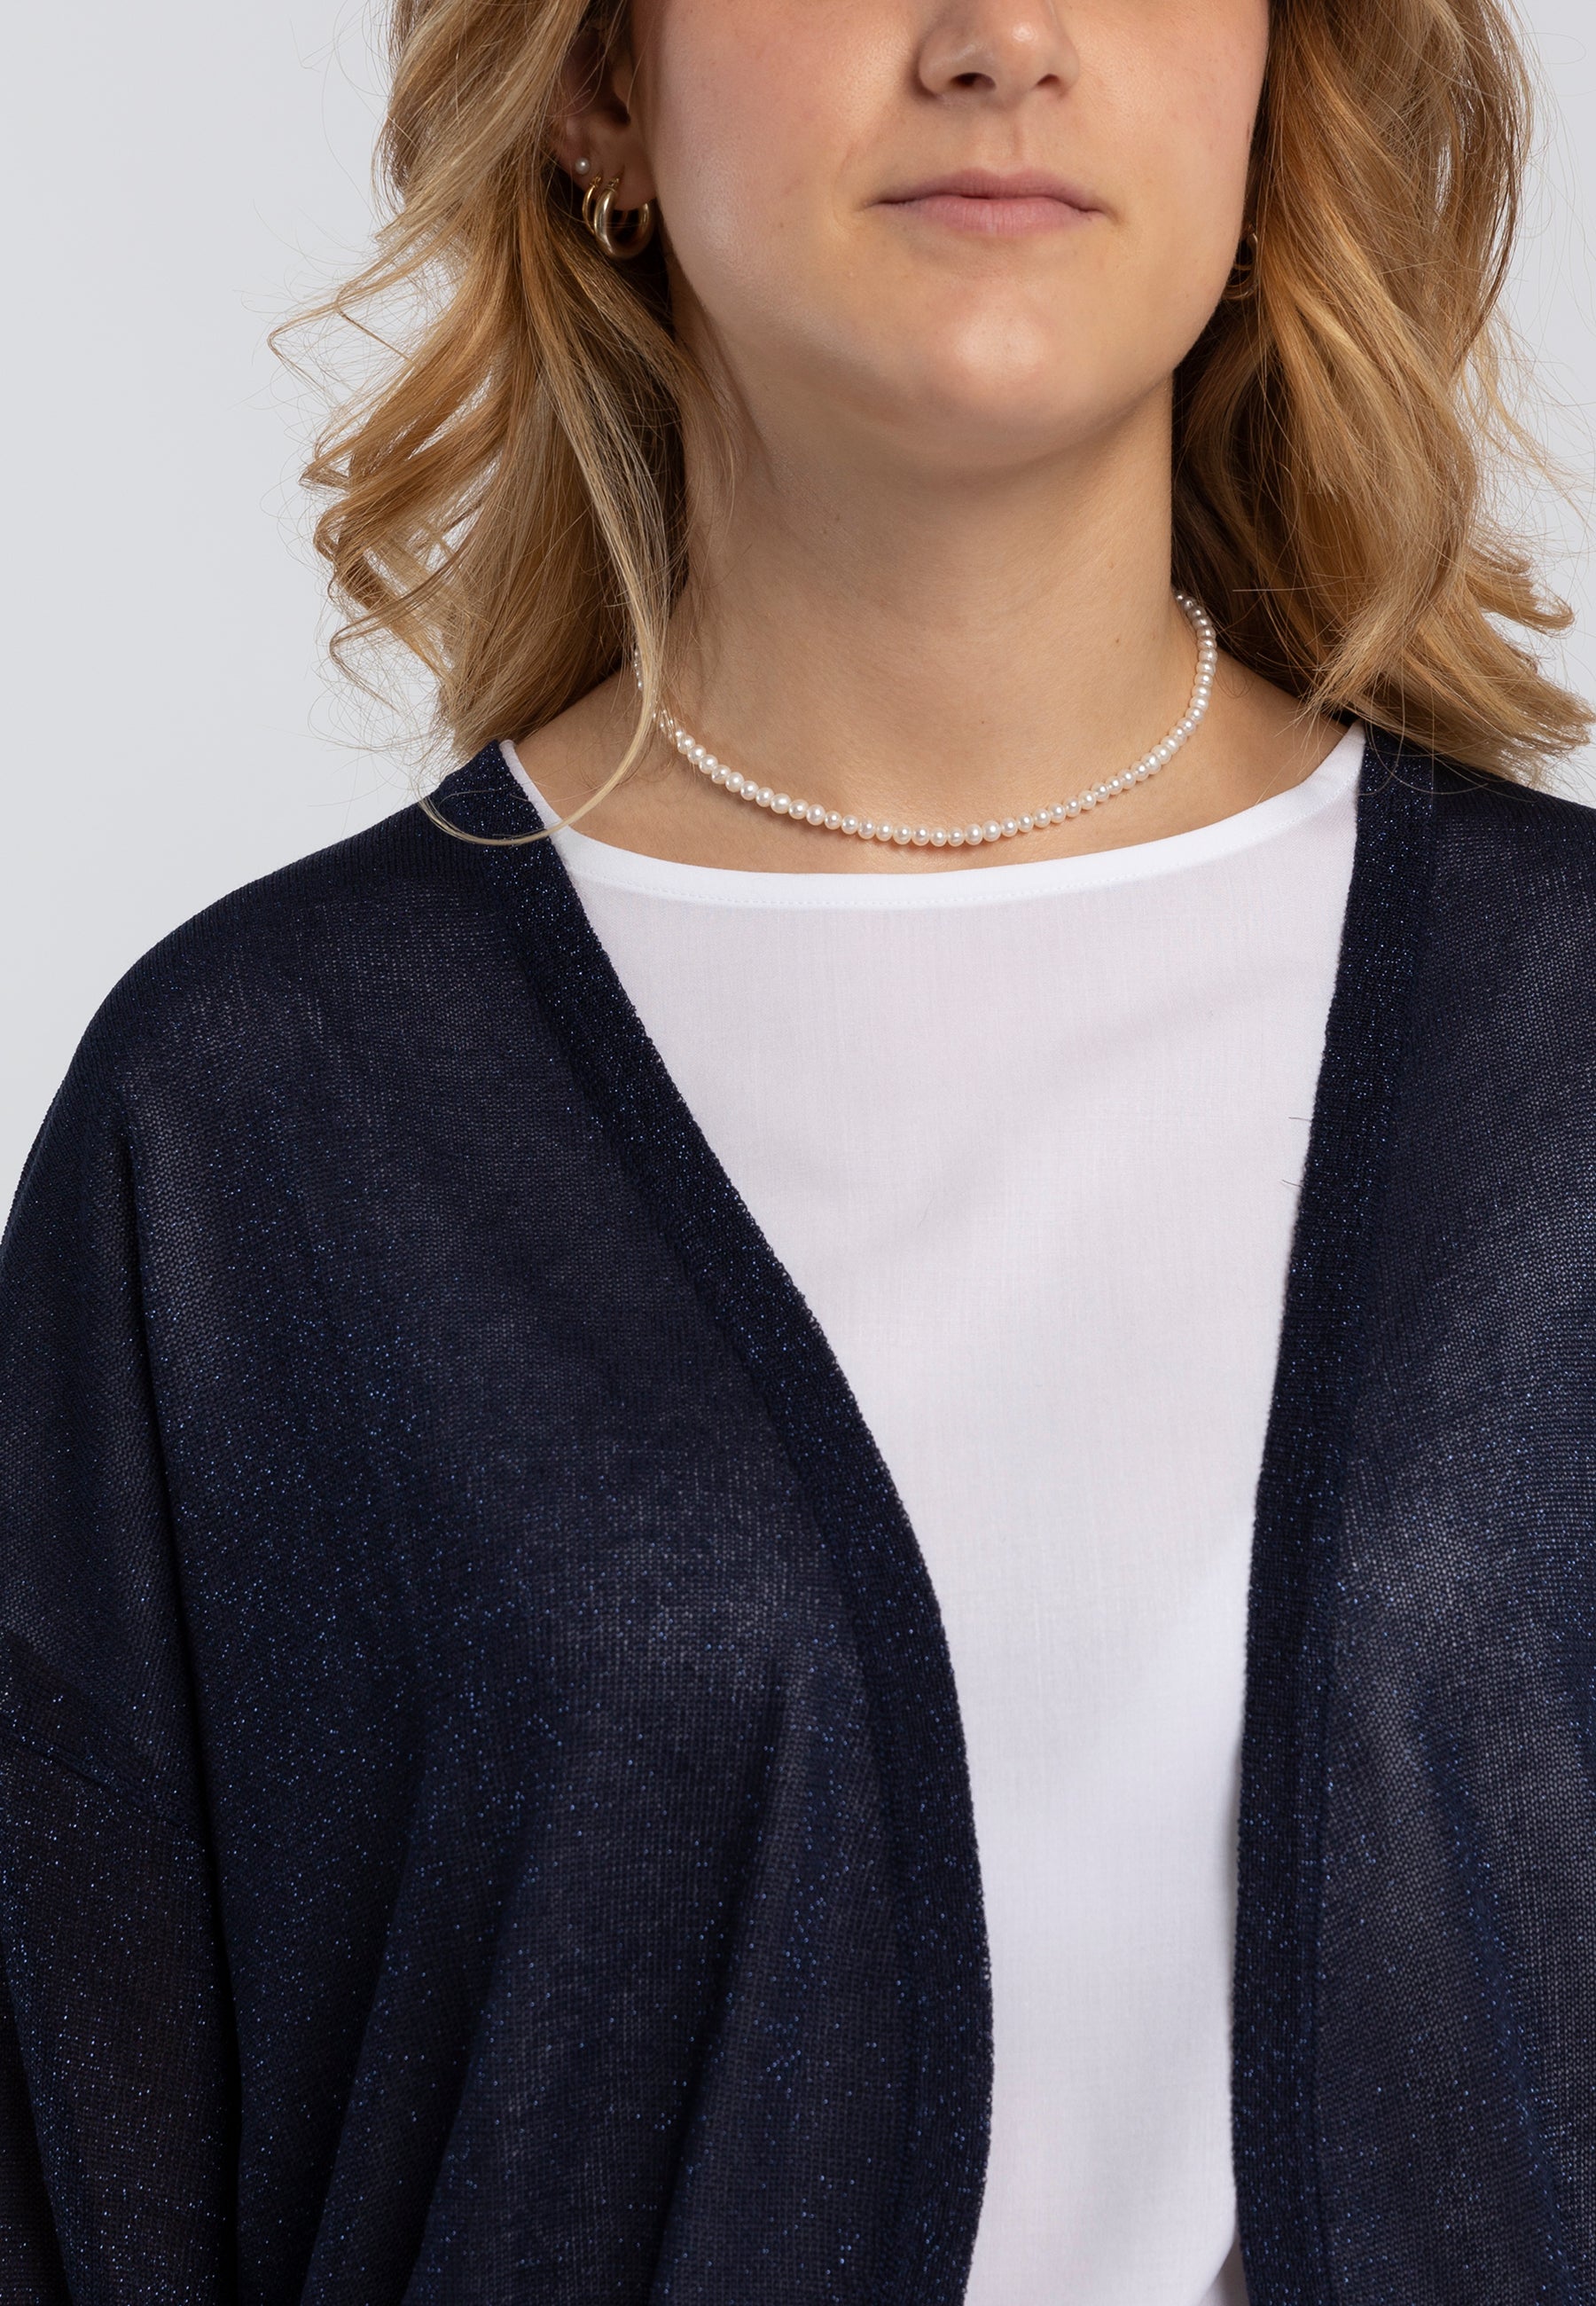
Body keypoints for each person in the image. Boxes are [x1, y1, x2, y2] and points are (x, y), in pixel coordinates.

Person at [3, 0, 1593, 2298]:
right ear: (598, 86)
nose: (1003, 38)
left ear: (1275, 78)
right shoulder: (252, 1133)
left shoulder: (1560, 1063)